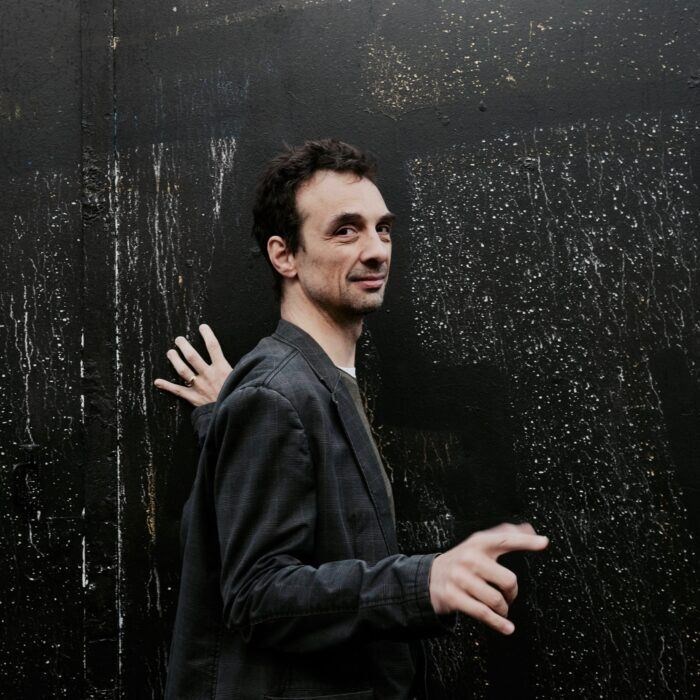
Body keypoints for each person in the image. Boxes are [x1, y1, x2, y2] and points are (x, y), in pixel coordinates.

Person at [154, 139, 549, 699]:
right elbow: (256, 595)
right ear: (284, 256)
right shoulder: (275, 394)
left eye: (382, 229)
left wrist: (225, 414)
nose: (377, 250)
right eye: (345, 230)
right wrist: (425, 582)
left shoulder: (304, 384)